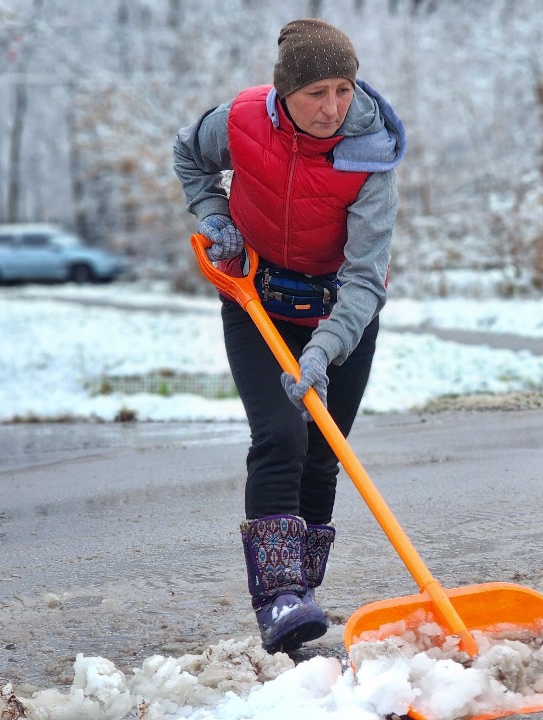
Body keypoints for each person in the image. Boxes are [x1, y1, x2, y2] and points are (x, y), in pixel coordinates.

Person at [172, 18, 405, 656]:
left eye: (343, 89)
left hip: (343, 307)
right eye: (316, 93)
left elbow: (365, 279)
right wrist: (214, 212)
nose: (333, 107)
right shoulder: (242, 120)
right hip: (256, 296)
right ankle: (279, 598)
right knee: (280, 434)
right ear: (284, 95)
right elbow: (188, 154)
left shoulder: (372, 153)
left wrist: (324, 353)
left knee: (323, 449)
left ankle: (300, 595)